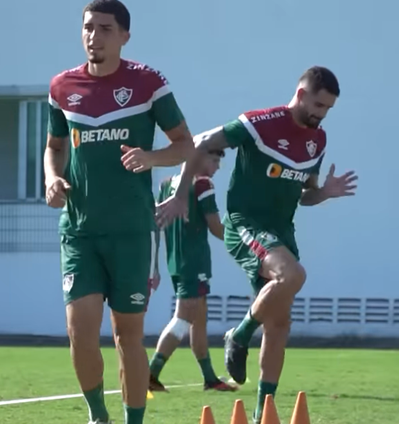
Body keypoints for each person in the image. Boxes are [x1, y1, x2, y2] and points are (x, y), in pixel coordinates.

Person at [126, 66, 358, 422]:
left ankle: (260, 412)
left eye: (328, 109)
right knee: (293, 275)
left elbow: (305, 195)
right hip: (245, 223)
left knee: (280, 324)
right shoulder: (259, 123)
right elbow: (202, 143)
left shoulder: (318, 140)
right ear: (300, 94)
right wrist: (182, 195)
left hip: (282, 232)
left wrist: (324, 192)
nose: (321, 114)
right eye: (317, 105)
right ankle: (240, 333)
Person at [43, 1, 194, 423]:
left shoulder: (149, 84)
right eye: (88, 27)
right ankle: (98, 416)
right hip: (79, 231)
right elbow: (54, 148)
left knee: (128, 335)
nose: (94, 35)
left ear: (124, 36)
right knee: (80, 333)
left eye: (105, 28)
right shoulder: (62, 87)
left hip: (132, 232)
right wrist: (52, 178)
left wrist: (150, 157)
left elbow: (185, 145)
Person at [148, 149, 238, 393]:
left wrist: (154, 266)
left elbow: (155, 226)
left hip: (176, 262)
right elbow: (217, 228)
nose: (217, 167)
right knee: (183, 319)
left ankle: (210, 378)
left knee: (199, 320)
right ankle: (150, 373)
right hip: (194, 263)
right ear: (196, 160)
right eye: (214, 160)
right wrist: (244, 237)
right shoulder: (202, 184)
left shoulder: (167, 185)